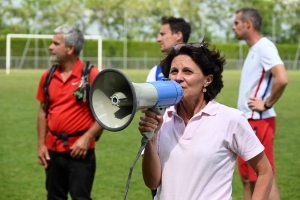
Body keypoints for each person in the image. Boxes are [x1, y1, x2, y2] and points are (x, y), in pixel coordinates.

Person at [138, 40, 273, 200]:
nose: (178, 77)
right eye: (174, 71)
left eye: (187, 71)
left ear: (207, 80)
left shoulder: (230, 119)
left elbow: (264, 171)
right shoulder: (162, 118)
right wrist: (152, 138)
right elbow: (152, 183)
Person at [36, 25, 103, 200]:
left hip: (80, 152)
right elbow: (43, 111)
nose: (51, 47)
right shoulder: (47, 75)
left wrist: (87, 138)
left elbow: (107, 113)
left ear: (70, 48)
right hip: (53, 150)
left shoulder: (91, 75)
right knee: (54, 197)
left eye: (55, 43)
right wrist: (41, 144)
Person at [232, 7, 288, 200]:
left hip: (259, 121)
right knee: (247, 178)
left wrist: (267, 104)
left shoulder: (265, 47)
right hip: (247, 120)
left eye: (236, 23)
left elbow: (282, 78)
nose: (233, 27)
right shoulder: (254, 49)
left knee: (265, 176)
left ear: (248, 24)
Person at [146, 16, 191, 82]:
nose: (158, 39)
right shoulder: (156, 72)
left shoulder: (201, 66)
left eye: (162, 34)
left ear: (178, 35)